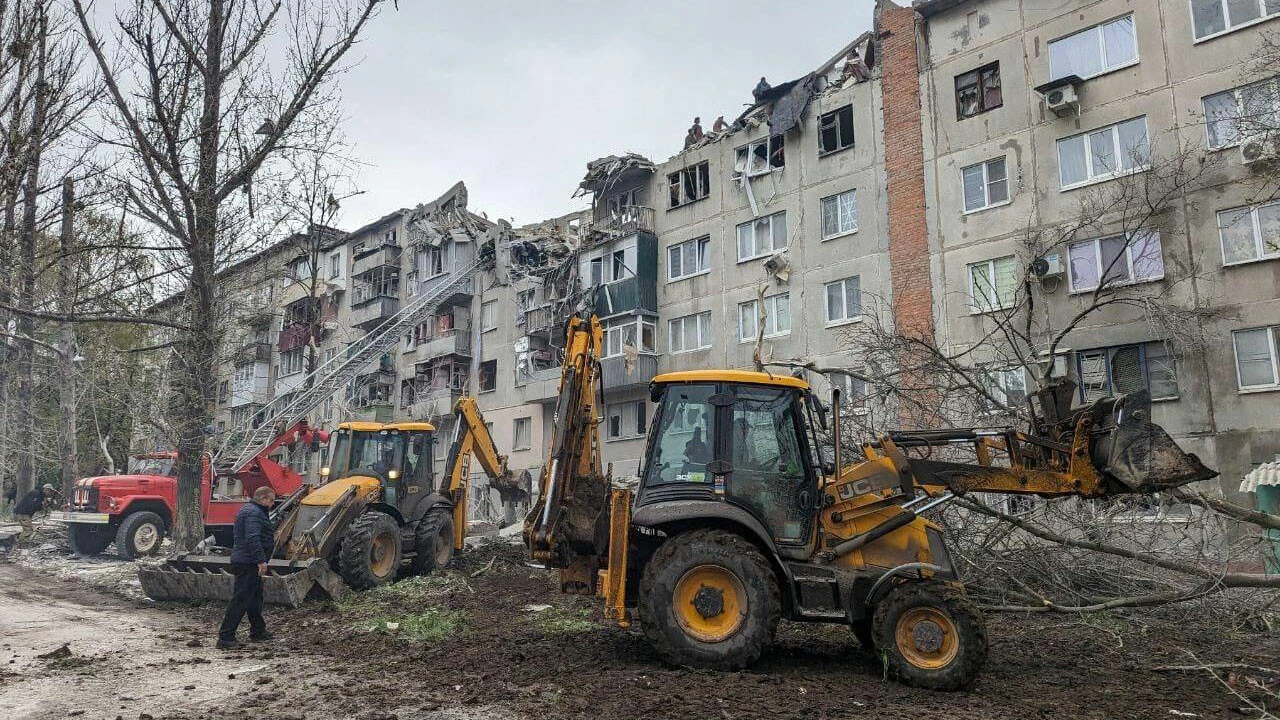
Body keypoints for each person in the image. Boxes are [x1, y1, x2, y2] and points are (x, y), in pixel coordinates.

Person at [217, 485, 277, 649]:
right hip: (248, 562)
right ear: (263, 499)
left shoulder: (251, 511)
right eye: (271, 500)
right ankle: (225, 637)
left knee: (255, 597)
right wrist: (260, 560)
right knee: (241, 599)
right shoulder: (254, 513)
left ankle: (258, 630)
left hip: (247, 560)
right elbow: (252, 538)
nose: (273, 504)